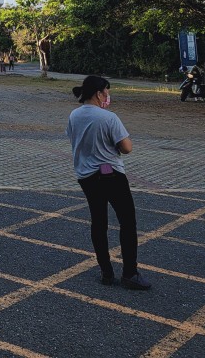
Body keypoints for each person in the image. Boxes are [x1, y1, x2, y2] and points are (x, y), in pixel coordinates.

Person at [65, 75, 151, 290]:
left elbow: (73, 139)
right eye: (107, 91)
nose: (108, 95)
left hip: (86, 176)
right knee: (127, 222)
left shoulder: (74, 116)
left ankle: (106, 272)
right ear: (99, 93)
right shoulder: (108, 118)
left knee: (99, 221)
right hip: (110, 174)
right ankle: (130, 273)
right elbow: (127, 147)